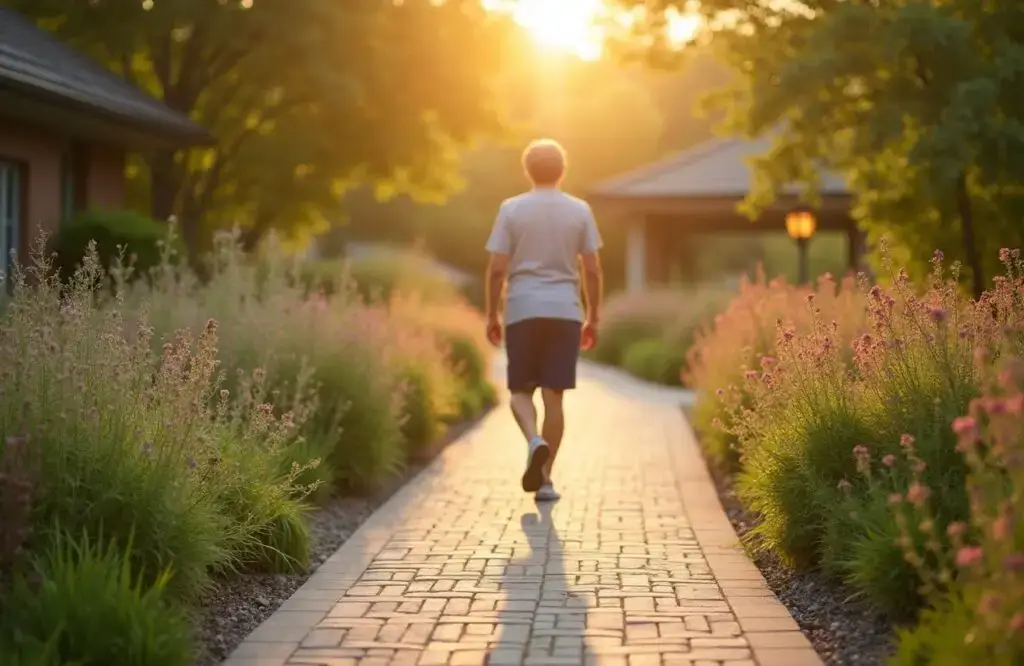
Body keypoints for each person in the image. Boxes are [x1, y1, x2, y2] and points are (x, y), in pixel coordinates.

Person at [484, 138, 604, 502]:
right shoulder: (580, 210)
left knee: (520, 391)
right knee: (555, 398)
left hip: (522, 308)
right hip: (565, 310)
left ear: (527, 170)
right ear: (562, 170)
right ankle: (547, 481)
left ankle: (533, 441)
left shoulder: (511, 209)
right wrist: (593, 317)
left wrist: (492, 313)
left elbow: (497, 269)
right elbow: (593, 269)